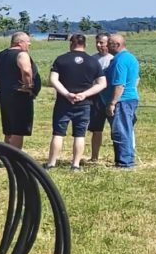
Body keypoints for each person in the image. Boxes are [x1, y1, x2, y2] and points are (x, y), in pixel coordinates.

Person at [45, 33, 106, 170]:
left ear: (71, 44)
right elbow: (102, 83)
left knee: (58, 133)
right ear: (85, 44)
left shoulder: (61, 59)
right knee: (80, 135)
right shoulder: (93, 61)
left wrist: (67, 94)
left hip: (63, 102)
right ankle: (75, 164)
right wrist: (84, 94)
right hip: (84, 103)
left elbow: (53, 80)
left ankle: (51, 163)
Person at [0, 33, 39, 142]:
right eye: (27, 42)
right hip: (20, 95)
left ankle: (7, 152)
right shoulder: (22, 54)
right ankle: (15, 153)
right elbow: (26, 70)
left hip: (5, 96)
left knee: (9, 130)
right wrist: (28, 86)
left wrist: (1, 85)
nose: (29, 44)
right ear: (20, 43)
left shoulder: (0, 55)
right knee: (18, 131)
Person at [106, 33, 142, 168]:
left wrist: (112, 103)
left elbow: (119, 85)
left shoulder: (120, 61)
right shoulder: (130, 57)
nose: (106, 46)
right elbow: (136, 79)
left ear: (117, 45)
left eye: (109, 44)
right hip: (130, 98)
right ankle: (125, 159)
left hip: (122, 101)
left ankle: (125, 162)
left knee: (121, 131)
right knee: (126, 129)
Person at [87, 35, 118, 164]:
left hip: (110, 97)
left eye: (101, 42)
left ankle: (119, 157)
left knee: (116, 129)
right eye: (97, 43)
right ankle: (94, 157)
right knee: (96, 129)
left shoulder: (113, 59)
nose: (98, 45)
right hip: (96, 98)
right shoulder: (92, 59)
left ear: (108, 43)